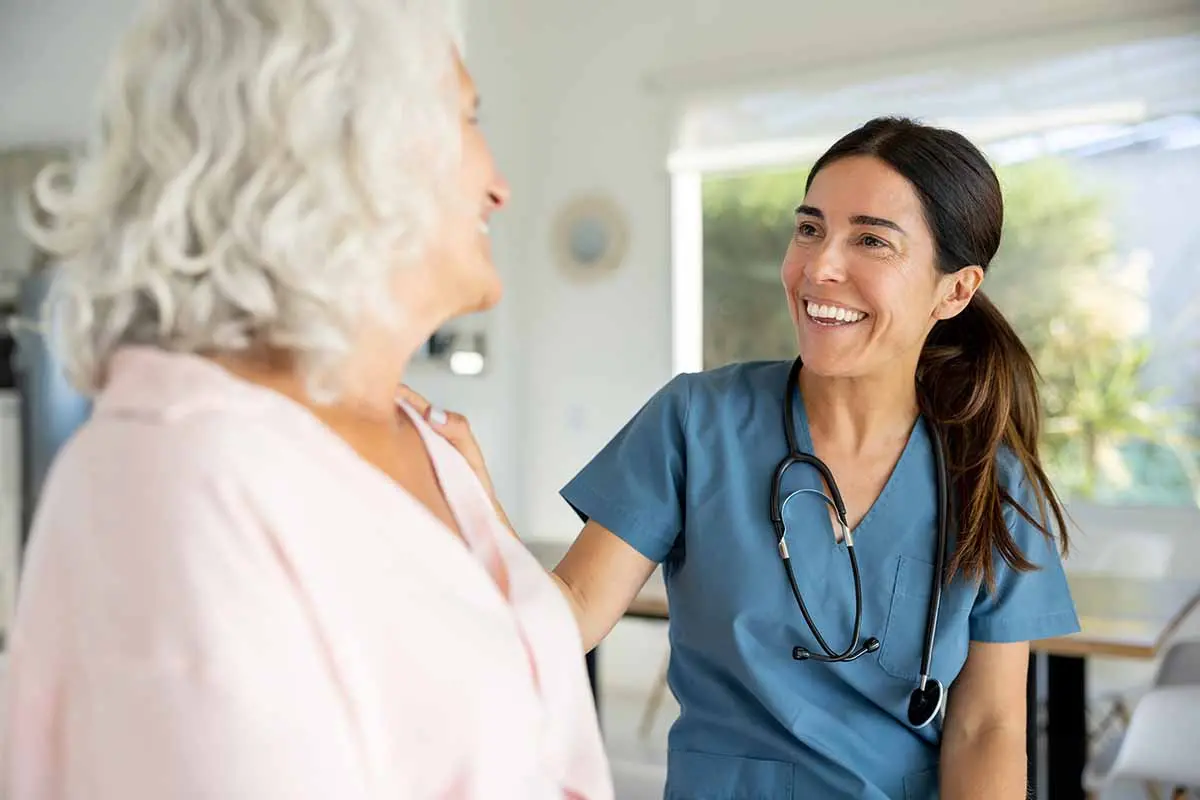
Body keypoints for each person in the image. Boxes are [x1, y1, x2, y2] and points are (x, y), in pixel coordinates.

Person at [3, 1, 612, 798]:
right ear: (343, 147)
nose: (499, 187)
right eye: (468, 117)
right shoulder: (177, 476)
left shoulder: (429, 439)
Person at [412, 116, 1080, 799]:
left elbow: (988, 727)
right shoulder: (697, 422)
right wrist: (473, 506)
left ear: (956, 290)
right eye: (810, 227)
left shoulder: (989, 479)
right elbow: (570, 617)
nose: (819, 266)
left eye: (872, 240)